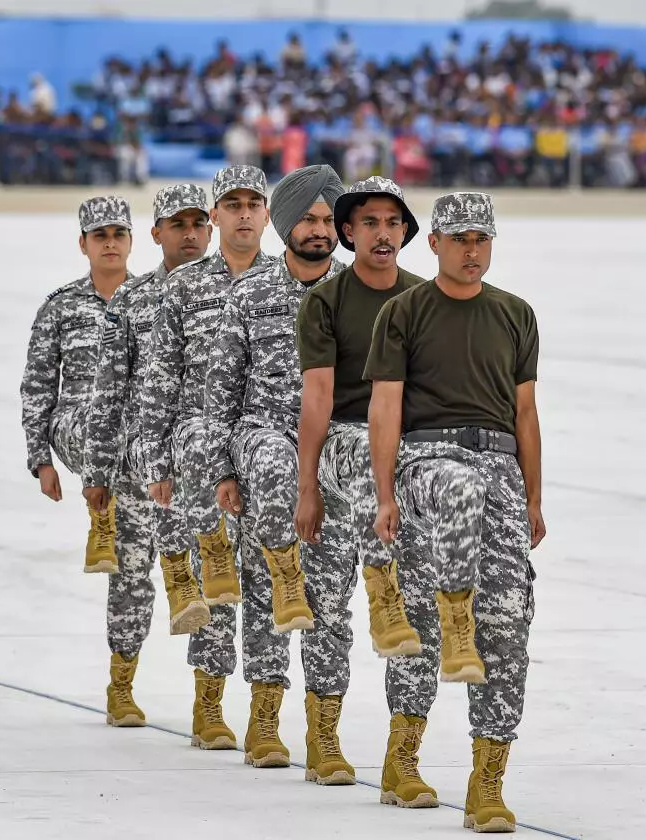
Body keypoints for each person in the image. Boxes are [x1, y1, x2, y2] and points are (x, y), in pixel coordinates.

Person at [364, 192, 545, 834]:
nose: (473, 251)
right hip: (426, 462)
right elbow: (385, 408)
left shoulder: (514, 315)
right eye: (460, 238)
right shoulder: (404, 312)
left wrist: (533, 498)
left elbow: (525, 414)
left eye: (482, 239)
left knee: (509, 621)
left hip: (497, 464)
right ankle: (403, 759)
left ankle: (487, 783)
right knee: (423, 620)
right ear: (434, 242)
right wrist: (385, 493)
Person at [293, 176, 439, 805]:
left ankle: (402, 760)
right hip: (344, 457)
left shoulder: (429, 300)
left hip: (405, 464)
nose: (382, 233)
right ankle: (323, 739)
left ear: (407, 233)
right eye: (368, 223)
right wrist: (305, 486)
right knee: (328, 605)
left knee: (418, 619)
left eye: (392, 222)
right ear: (347, 233)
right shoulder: (325, 302)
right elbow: (319, 398)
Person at [200, 164, 347, 768]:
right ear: (284, 223)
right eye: (308, 219)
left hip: (337, 455)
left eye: (328, 220)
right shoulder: (249, 295)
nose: (319, 230)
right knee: (268, 592)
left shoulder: (358, 293)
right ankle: (265, 722)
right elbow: (220, 392)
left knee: (332, 596)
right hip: (265, 447)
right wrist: (222, 470)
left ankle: (325, 736)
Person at [139, 165, 278, 754]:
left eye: (255, 203)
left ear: (269, 215)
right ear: (215, 214)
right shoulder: (184, 286)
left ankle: (266, 720)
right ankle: (210, 705)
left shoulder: (294, 282)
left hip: (271, 448)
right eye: (233, 203)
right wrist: (157, 463)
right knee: (216, 585)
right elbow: (158, 378)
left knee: (274, 583)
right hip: (200, 451)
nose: (244, 213)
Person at [81, 187, 215, 730]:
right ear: (155, 233)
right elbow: (106, 392)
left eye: (197, 223)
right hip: (142, 465)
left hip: (211, 465)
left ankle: (209, 705)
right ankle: (122, 685)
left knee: (216, 587)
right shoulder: (133, 302)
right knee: (134, 576)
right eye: (175, 224)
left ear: (210, 230)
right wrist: (96, 473)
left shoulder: (237, 293)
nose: (188, 233)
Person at [20, 196, 134, 721]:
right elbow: (39, 386)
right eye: (99, 235)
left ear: (132, 240)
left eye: (118, 233)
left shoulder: (152, 299)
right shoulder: (62, 306)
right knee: (96, 413)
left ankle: (122, 686)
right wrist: (39, 457)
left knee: (131, 568)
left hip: (137, 447)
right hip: (77, 429)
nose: (109, 242)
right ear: (83, 244)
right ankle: (99, 512)